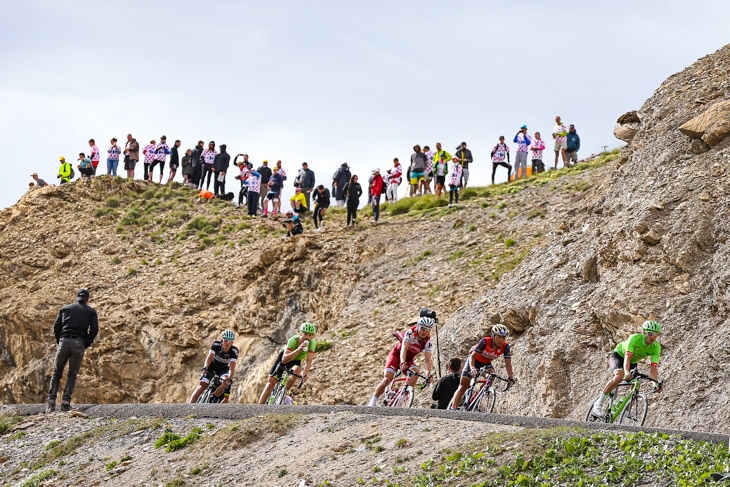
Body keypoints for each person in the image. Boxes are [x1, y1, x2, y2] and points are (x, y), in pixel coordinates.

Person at [591, 320, 662, 417]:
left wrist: (655, 383)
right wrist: (626, 372)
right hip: (619, 356)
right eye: (650, 333)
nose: (653, 337)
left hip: (632, 362)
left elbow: (653, 368)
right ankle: (598, 403)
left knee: (636, 385)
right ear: (644, 332)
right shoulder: (634, 339)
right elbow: (627, 358)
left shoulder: (656, 347)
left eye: (656, 334)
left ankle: (625, 412)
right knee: (619, 376)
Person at [46, 289, 99, 413]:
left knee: (56, 374)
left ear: (76, 298)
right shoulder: (91, 311)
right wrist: (86, 343)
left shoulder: (65, 309)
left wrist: (60, 340)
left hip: (63, 342)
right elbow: (94, 329)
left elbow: (56, 326)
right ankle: (65, 404)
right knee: (72, 374)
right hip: (79, 343)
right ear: (87, 299)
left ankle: (50, 404)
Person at [367, 316, 434, 407]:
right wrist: (402, 361)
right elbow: (404, 348)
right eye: (423, 328)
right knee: (387, 378)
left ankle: (402, 397)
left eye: (428, 329)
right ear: (418, 326)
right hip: (396, 356)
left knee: (416, 373)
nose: (424, 332)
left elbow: (427, 360)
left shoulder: (427, 341)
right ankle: (373, 400)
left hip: (408, 360)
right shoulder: (411, 333)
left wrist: (428, 374)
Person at [449, 324, 515, 410]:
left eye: (503, 337)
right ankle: (453, 407)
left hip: (486, 363)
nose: (501, 340)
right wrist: (472, 368)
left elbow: (508, 364)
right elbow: (472, 357)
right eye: (499, 337)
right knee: (463, 385)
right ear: (493, 336)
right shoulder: (485, 341)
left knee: (492, 376)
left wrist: (510, 377)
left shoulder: (505, 347)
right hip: (474, 360)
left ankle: (477, 395)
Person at [258, 322, 317, 404]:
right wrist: (298, 349)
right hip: (286, 357)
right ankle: (259, 407)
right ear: (301, 333)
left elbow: (309, 361)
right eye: (305, 334)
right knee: (270, 384)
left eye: (310, 335)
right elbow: (284, 360)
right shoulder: (293, 340)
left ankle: (284, 393)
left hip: (296, 360)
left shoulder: (312, 344)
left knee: (297, 370)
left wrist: (305, 373)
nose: (307, 337)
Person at [189, 330, 238, 404]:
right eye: (226, 340)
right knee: (201, 386)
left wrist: (230, 378)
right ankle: (189, 407)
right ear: (221, 340)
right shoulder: (216, 345)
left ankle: (214, 397)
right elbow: (209, 357)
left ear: (233, 342)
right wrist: (205, 367)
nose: (228, 343)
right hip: (211, 368)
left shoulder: (234, 351)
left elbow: (232, 366)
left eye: (230, 341)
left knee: (225, 382)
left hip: (223, 370)